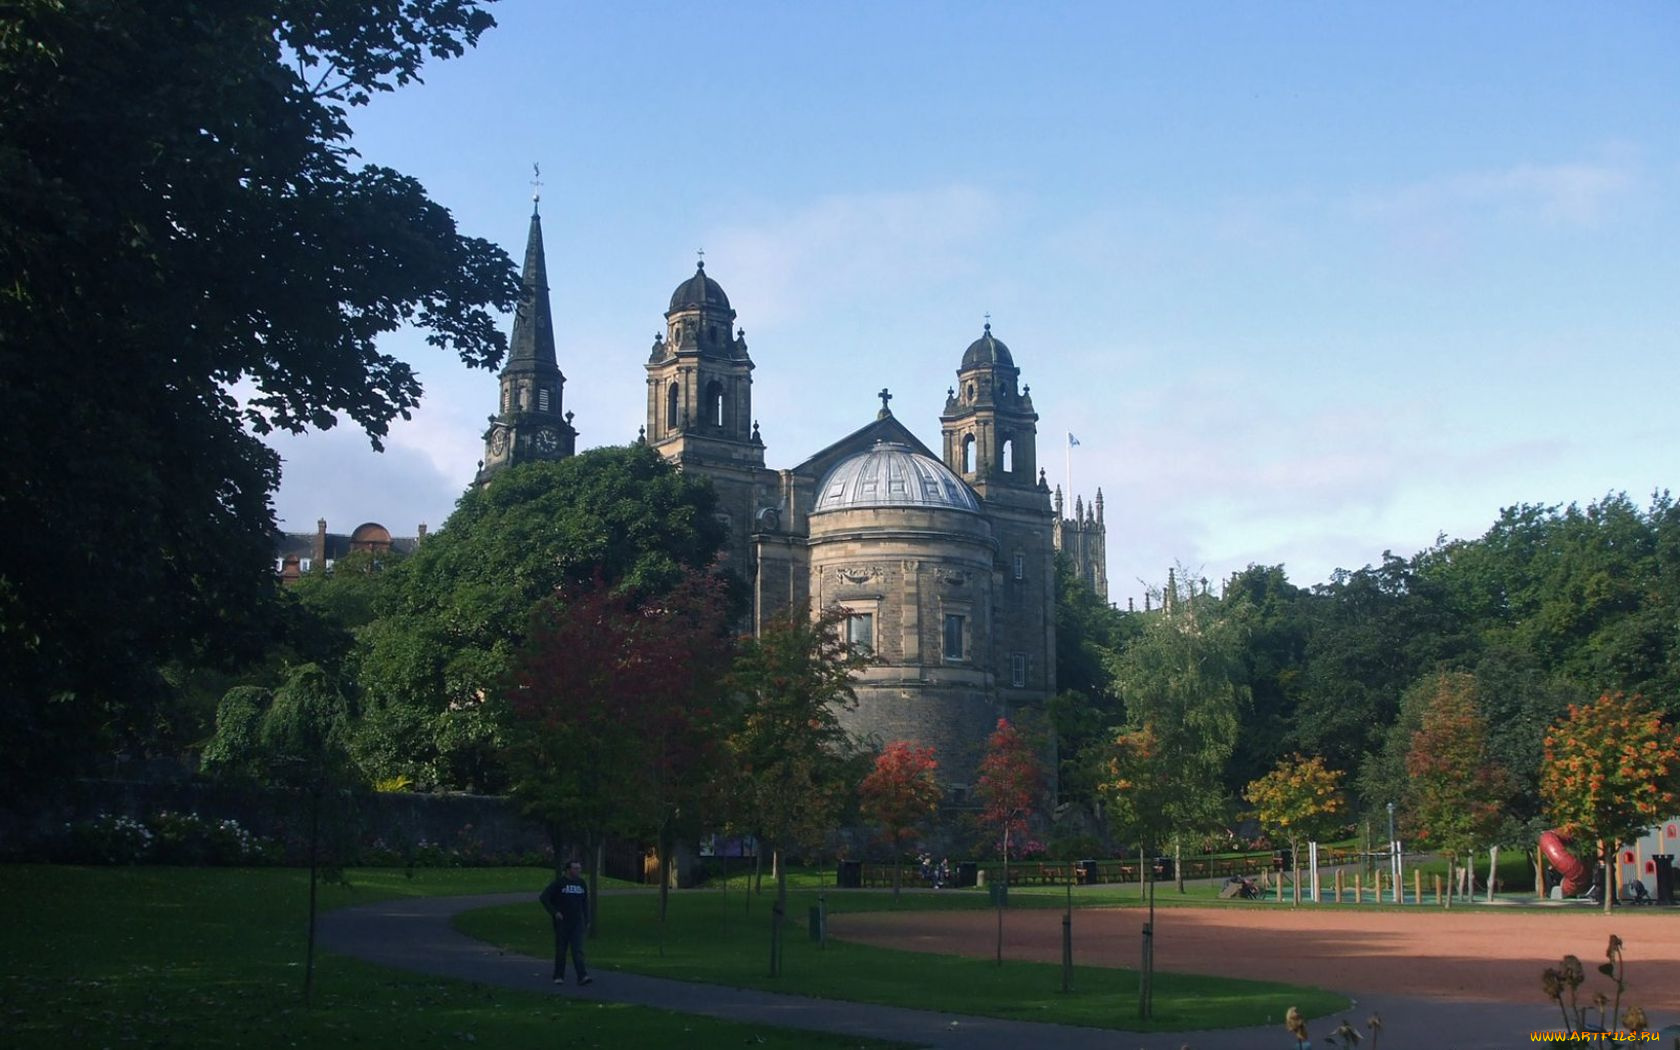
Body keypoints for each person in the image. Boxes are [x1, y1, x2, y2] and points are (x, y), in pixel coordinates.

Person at [539, 859, 591, 985]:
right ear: (568, 870)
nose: (578, 871)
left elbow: (585, 902)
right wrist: (555, 912)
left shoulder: (581, 883)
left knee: (577, 950)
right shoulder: (559, 883)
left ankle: (582, 976)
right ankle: (558, 976)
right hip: (562, 922)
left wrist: (587, 918)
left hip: (577, 922)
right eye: (575, 868)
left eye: (579, 868)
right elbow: (544, 897)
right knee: (561, 949)